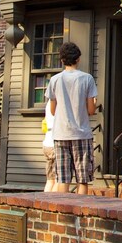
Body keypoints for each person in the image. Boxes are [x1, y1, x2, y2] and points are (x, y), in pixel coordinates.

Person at [46, 42, 98, 195]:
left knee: (63, 178)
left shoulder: (55, 80)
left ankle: (63, 214)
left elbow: (53, 110)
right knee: (82, 178)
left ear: (62, 60)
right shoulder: (87, 79)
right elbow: (91, 110)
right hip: (81, 133)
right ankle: (80, 214)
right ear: (78, 59)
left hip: (61, 133)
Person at [42, 101, 57, 192]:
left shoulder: (48, 102)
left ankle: (44, 204)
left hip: (47, 143)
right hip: (55, 143)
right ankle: (55, 204)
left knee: (50, 180)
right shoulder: (58, 101)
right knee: (58, 181)